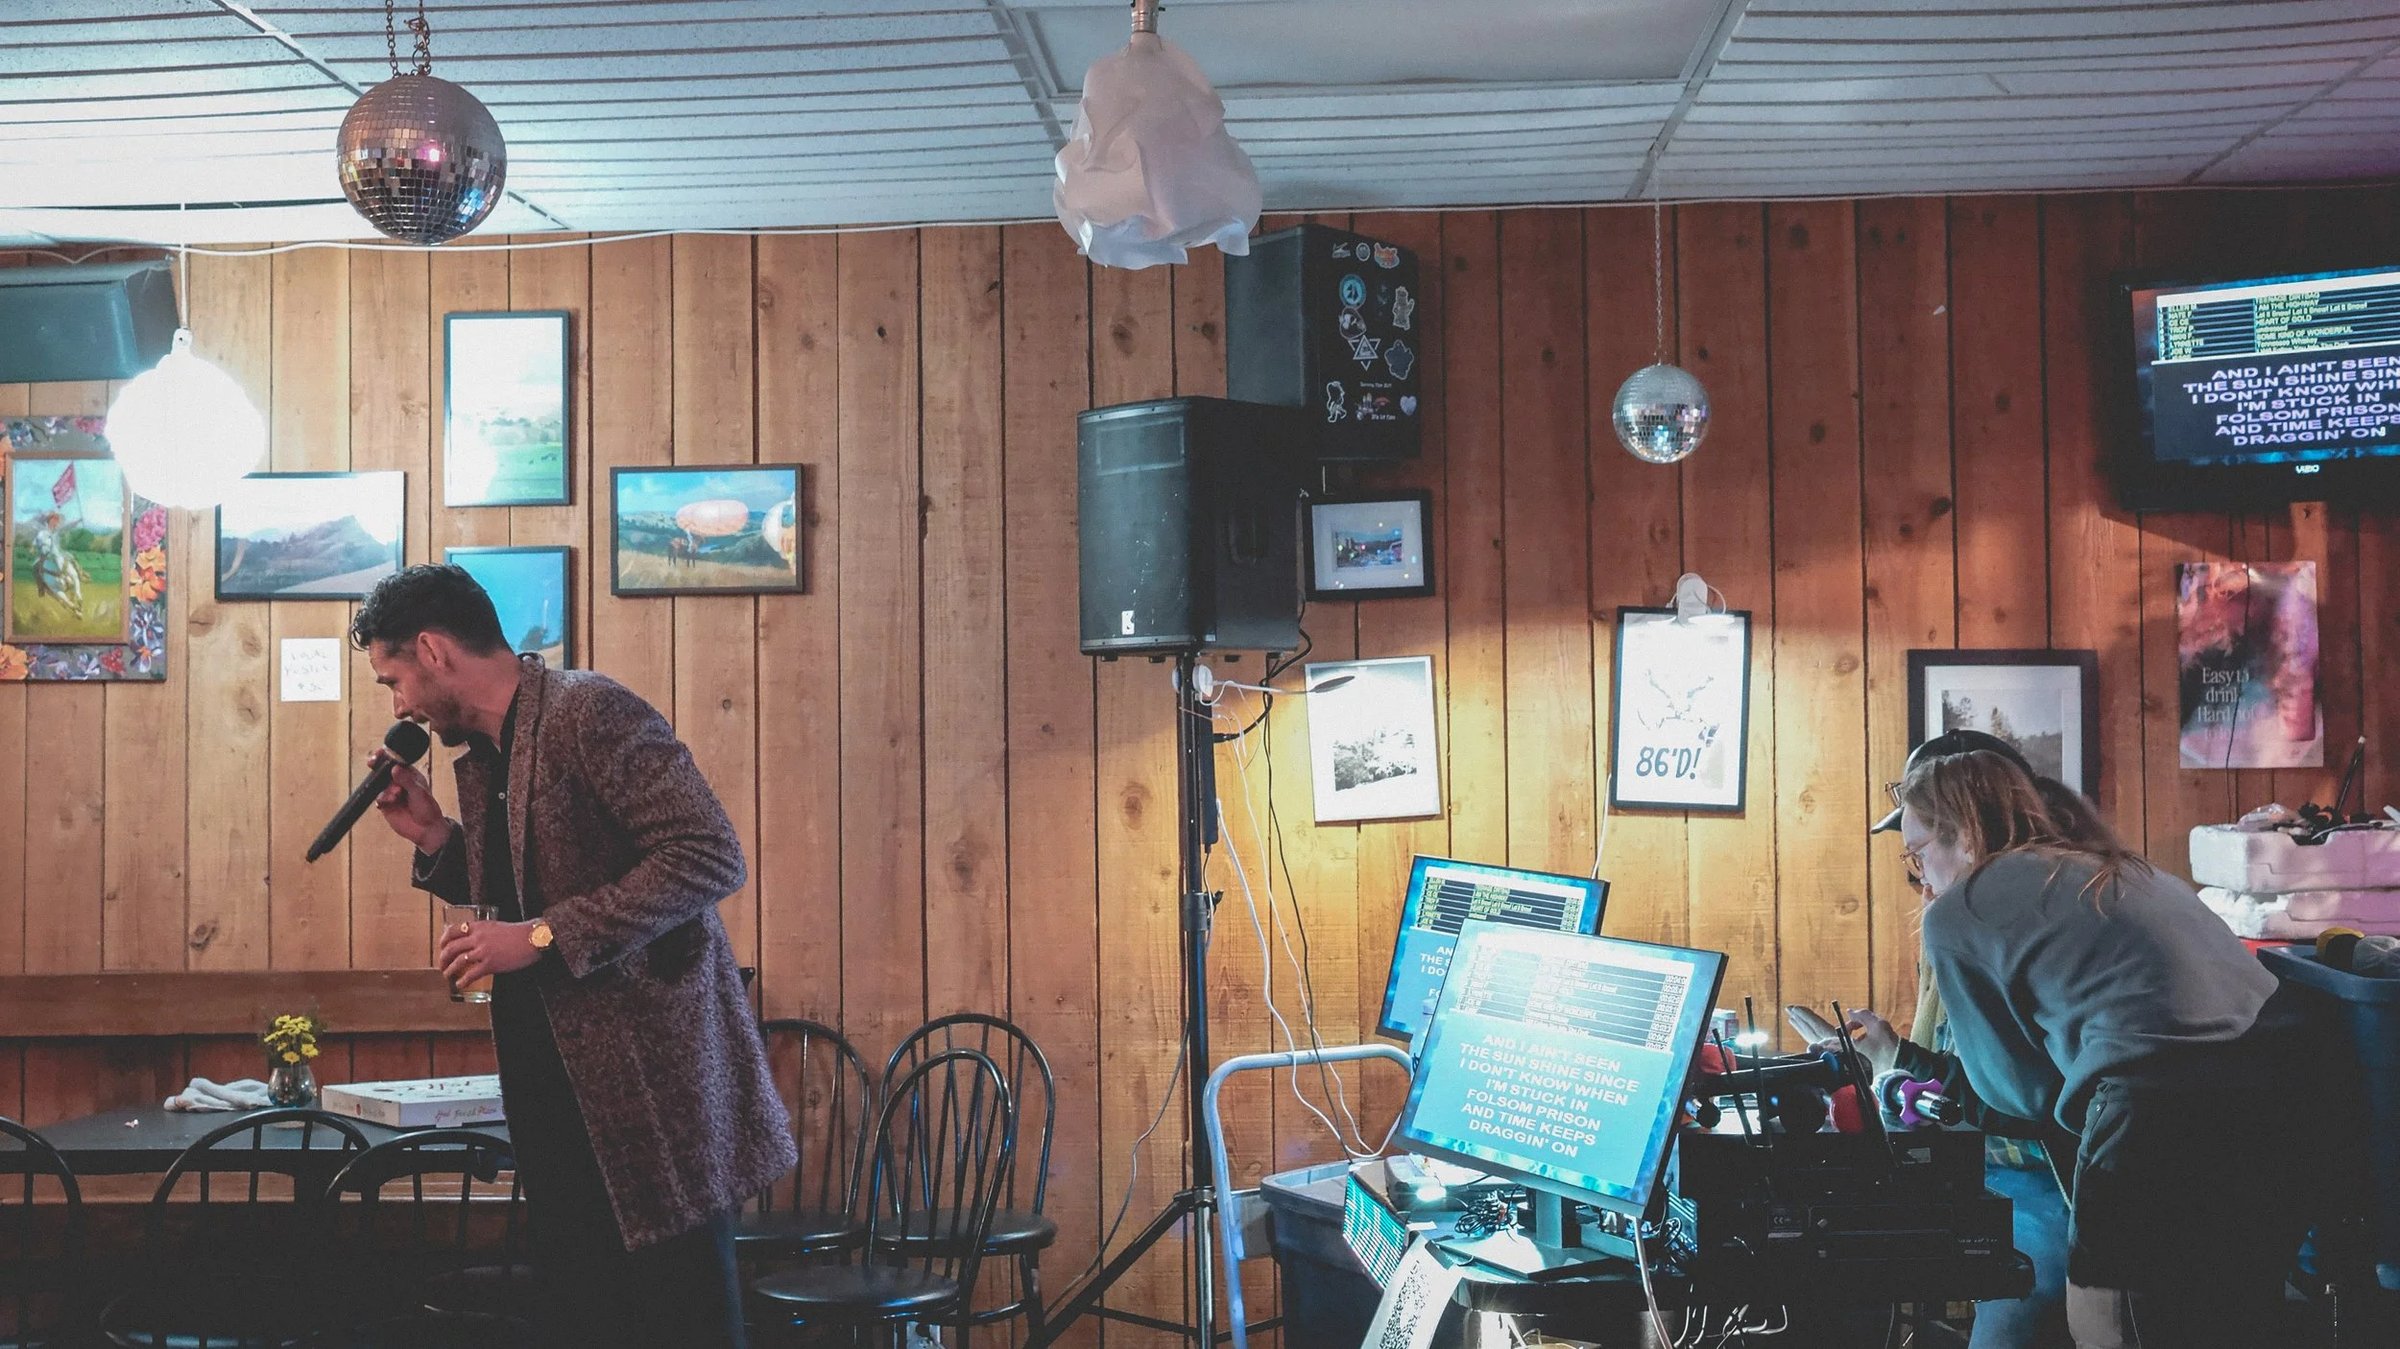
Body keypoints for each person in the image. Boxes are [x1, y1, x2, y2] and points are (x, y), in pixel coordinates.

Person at [355, 564, 795, 1349]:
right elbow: (529, 890)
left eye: (394, 680)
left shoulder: (588, 711)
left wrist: (541, 936)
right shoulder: (487, 752)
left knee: (683, 1322)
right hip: (555, 1097)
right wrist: (435, 837)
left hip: (649, 1101)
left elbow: (708, 854)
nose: (399, 706)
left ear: (432, 649)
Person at [1895, 747, 2318, 1349]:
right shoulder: (2116, 867)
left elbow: (2018, 1095)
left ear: (1962, 834)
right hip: (2291, 1088)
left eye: (1918, 854)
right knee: (2233, 1320)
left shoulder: (1959, 910)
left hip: (2156, 1108)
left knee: (2111, 1326)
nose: (1922, 878)